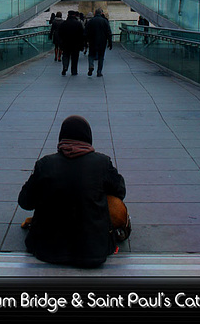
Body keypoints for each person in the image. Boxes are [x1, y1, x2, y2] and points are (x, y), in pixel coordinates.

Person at [18, 115, 127, 268]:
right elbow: (120, 192)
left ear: (62, 137)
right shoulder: (102, 163)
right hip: (94, 252)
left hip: (46, 250)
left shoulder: (45, 164)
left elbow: (25, 202)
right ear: (88, 138)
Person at [85, 8, 112, 77]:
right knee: (101, 57)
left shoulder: (91, 21)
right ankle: (99, 71)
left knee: (91, 54)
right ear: (101, 13)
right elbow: (108, 32)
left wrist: (86, 41)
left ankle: (91, 65)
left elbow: (86, 32)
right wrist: (110, 42)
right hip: (102, 42)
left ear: (94, 13)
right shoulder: (105, 21)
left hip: (92, 41)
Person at [58, 10, 85, 76]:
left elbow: (60, 34)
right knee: (75, 57)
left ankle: (65, 66)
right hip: (76, 44)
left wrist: (60, 44)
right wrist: (82, 45)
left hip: (66, 43)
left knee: (65, 56)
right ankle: (74, 71)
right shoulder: (78, 24)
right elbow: (82, 35)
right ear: (75, 15)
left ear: (68, 15)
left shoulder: (63, 24)